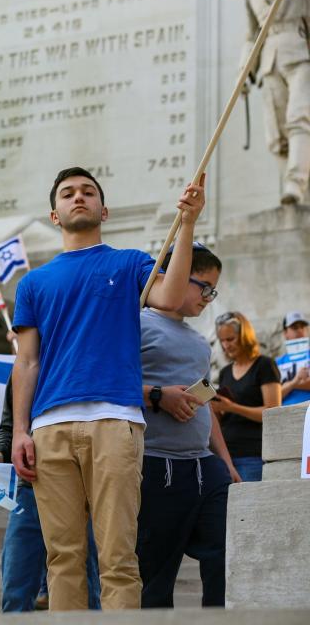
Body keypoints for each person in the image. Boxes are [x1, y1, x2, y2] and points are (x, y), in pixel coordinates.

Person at [10, 167, 205, 611]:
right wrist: (21, 431)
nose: (78, 197)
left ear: (103, 209)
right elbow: (27, 361)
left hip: (115, 422)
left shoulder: (129, 261)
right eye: (67, 193)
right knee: (62, 557)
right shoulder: (33, 283)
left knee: (118, 556)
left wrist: (188, 223)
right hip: (49, 427)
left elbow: (171, 299)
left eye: (87, 192)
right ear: (54, 214)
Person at [137, 244, 240, 609]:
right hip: (155, 464)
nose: (209, 298)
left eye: (214, 290)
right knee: (156, 575)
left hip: (205, 466)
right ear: (174, 276)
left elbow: (206, 404)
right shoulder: (134, 324)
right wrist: (157, 395)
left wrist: (225, 462)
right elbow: (106, 383)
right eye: (204, 286)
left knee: (226, 554)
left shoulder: (199, 342)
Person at [0, 377, 101, 612]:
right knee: (15, 587)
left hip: (77, 489)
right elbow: (9, 426)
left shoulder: (76, 360)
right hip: (30, 490)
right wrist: (0, 453)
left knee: (84, 585)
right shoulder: (21, 371)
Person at [242, 0, 310, 204]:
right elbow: (252, 36)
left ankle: (295, 183)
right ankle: (297, 193)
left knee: (299, 118)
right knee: (277, 136)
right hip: (270, 62)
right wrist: (244, 71)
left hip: (301, 51)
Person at [212, 311, 282, 481]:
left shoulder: (264, 365)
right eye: (222, 341)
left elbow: (273, 412)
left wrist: (232, 407)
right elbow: (223, 417)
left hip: (254, 455)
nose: (226, 345)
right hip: (227, 456)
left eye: (230, 339)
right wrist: (216, 408)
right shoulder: (225, 372)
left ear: (245, 336)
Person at [277, 311, 310, 405]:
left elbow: (279, 391)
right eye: (295, 327)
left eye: (302, 327)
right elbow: (273, 396)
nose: (300, 330)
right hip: (285, 414)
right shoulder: (278, 362)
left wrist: (287, 385)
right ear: (285, 333)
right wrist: (294, 382)